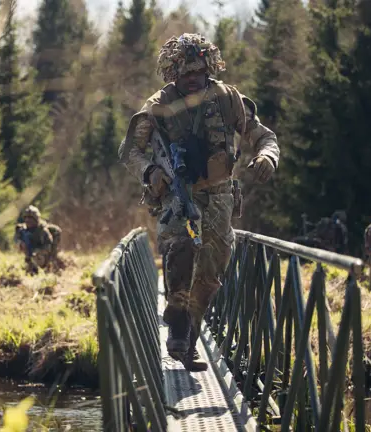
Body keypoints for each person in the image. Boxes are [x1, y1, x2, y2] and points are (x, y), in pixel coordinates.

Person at [118, 33, 280, 371]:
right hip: (177, 194)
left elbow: (262, 135)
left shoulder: (227, 99)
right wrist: (150, 173)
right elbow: (129, 150)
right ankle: (177, 329)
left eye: (198, 71)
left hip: (220, 195)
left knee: (211, 272)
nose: (192, 78)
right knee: (180, 252)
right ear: (173, 73)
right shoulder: (157, 106)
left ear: (209, 68)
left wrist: (267, 155)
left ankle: (189, 338)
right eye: (185, 73)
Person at [13, 205, 63, 273]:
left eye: (30, 218)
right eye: (26, 218)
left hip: (41, 256)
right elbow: (16, 240)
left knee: (36, 260)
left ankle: (37, 269)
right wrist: (20, 244)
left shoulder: (42, 231)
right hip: (27, 255)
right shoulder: (22, 230)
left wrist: (38, 251)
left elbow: (48, 245)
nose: (27, 220)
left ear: (36, 219)